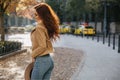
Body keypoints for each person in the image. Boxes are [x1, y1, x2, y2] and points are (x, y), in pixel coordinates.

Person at [30, 2, 60, 80]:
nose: (35, 17)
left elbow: (42, 46)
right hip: (48, 61)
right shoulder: (44, 26)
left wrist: (32, 54)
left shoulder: (39, 27)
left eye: (36, 14)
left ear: (42, 15)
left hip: (41, 61)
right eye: (34, 14)